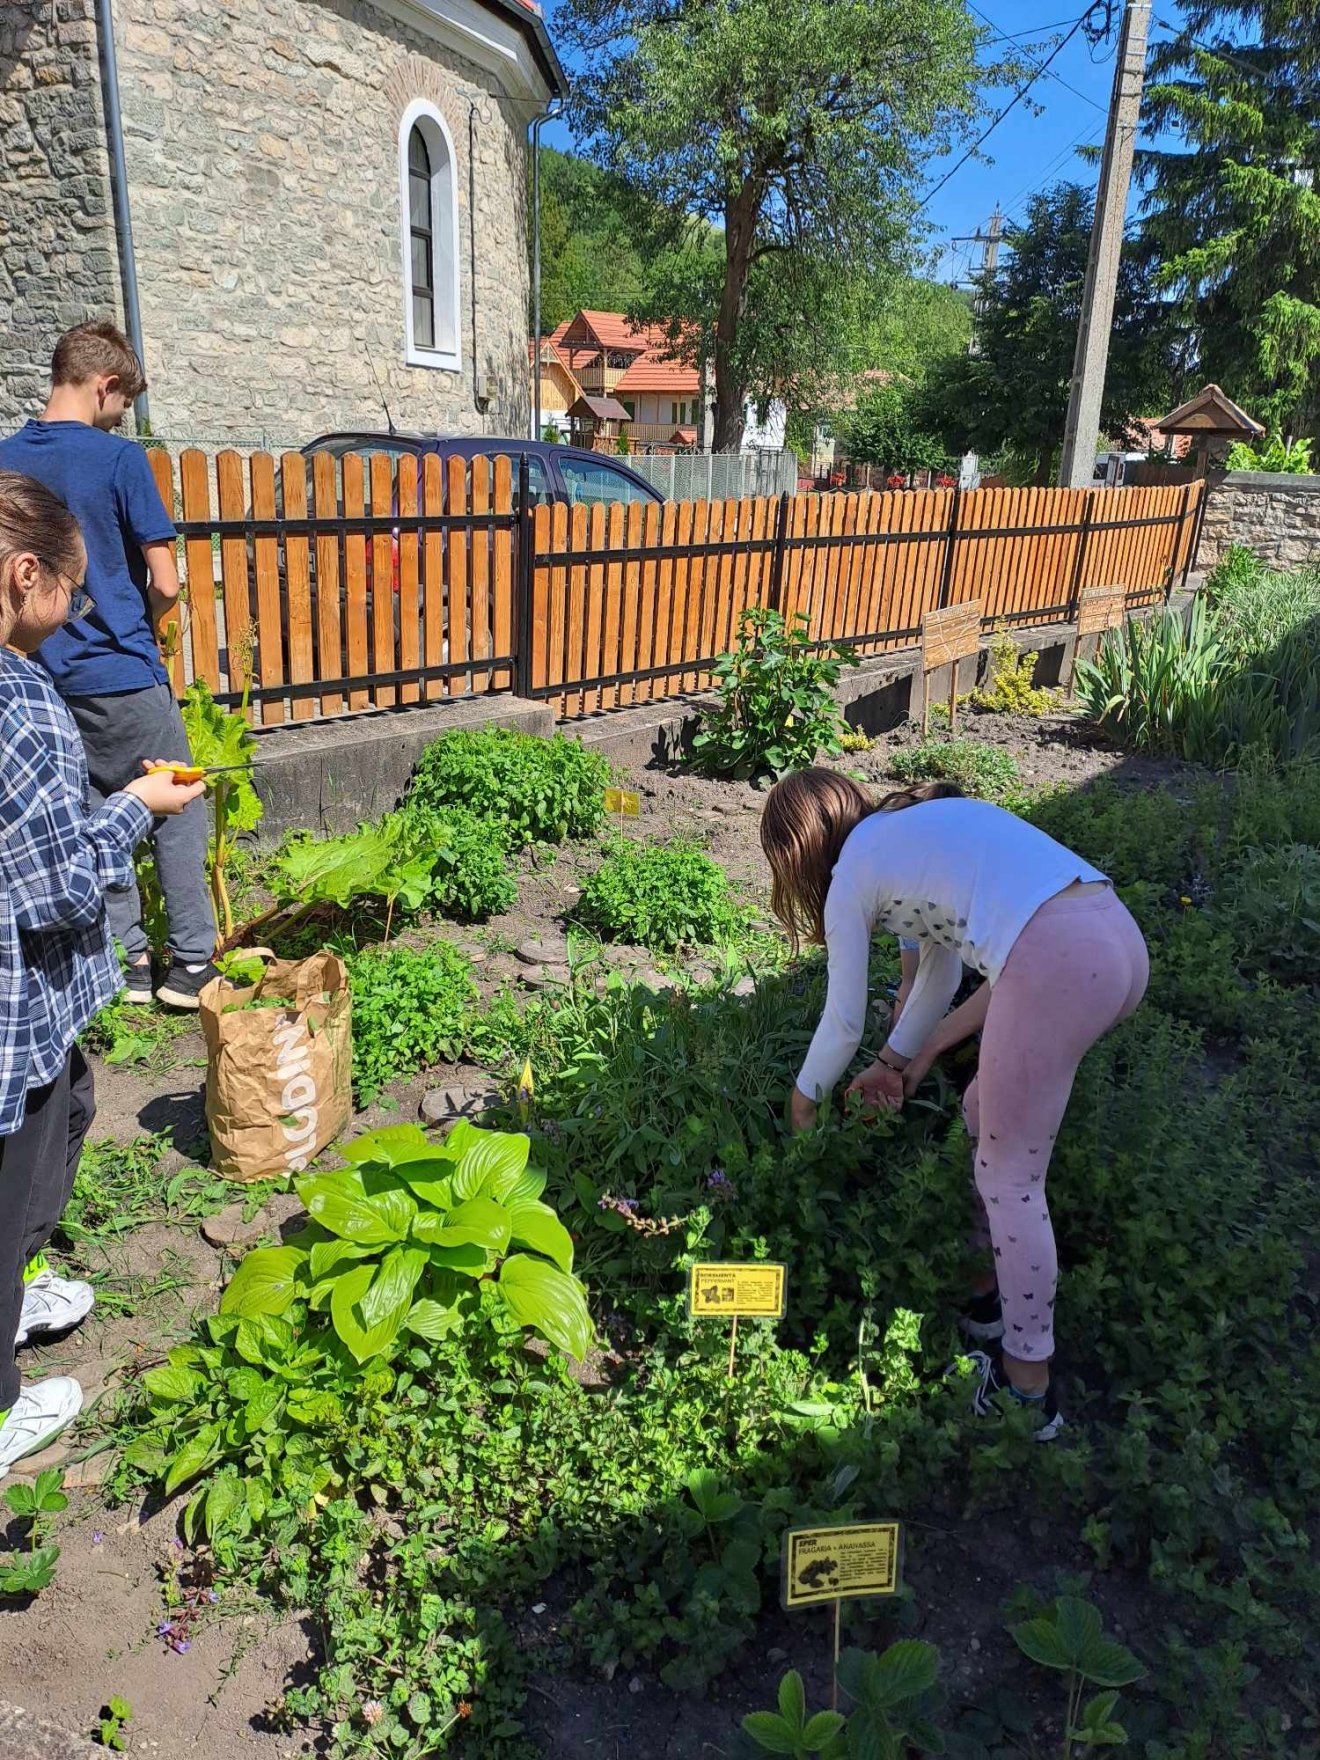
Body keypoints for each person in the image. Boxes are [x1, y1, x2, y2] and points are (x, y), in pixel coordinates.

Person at [760, 769, 1149, 1440]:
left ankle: (1027, 1393)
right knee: (981, 1111)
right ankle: (984, 1300)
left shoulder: (854, 871)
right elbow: (938, 975)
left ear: (796, 852)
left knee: (1011, 1177)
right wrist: (893, 1066)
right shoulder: (905, 835)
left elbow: (843, 1023)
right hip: (1114, 937)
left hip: (1054, 956)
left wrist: (803, 1106)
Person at [0, 470, 204, 1475]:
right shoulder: (20, 708)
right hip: (15, 1009)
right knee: (19, 1169)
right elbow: (61, 891)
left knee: (71, 1113)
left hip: (35, 1009)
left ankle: (22, 1283)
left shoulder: (21, 680)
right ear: (22, 573)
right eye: (71, 591)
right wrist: (137, 807)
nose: (77, 610)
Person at [0, 321, 216, 1009]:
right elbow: (168, 581)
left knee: (92, 810)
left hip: (41, 675)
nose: (121, 419)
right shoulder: (120, 462)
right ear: (105, 385)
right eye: (122, 406)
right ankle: (189, 968)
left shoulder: (5, 460)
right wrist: (144, 626)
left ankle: (124, 966)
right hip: (120, 670)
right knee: (177, 805)